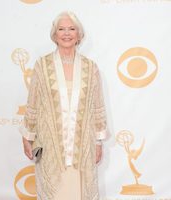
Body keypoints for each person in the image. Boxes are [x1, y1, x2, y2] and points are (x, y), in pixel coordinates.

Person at [19, 11, 107, 200]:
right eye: (61, 29)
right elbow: (33, 102)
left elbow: (98, 106)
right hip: (51, 148)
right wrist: (28, 136)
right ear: (54, 34)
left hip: (82, 148)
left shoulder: (91, 68)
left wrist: (98, 141)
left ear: (79, 34)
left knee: (80, 193)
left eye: (71, 29)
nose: (66, 33)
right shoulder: (42, 66)